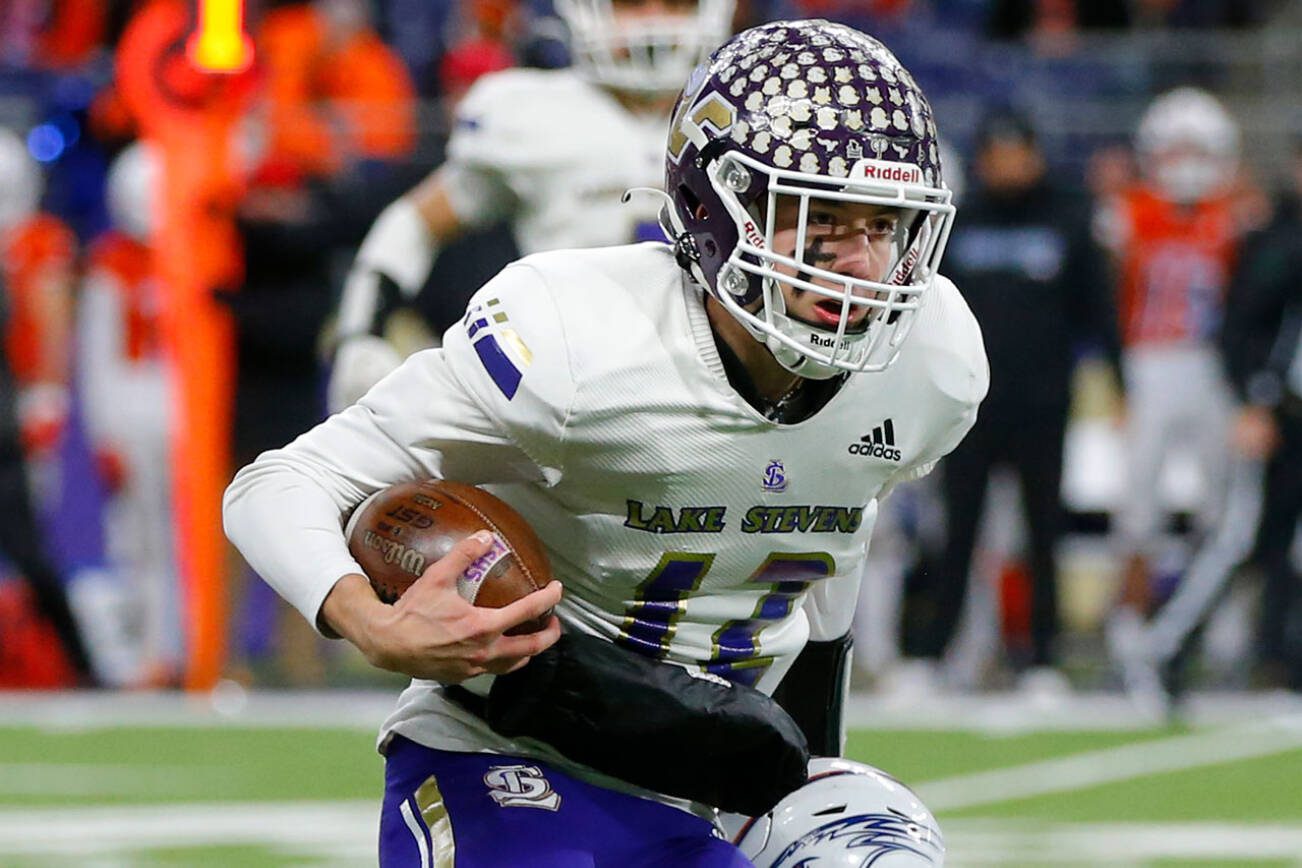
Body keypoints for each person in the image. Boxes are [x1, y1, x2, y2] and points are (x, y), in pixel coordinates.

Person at [225, 19, 986, 865]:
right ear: (714, 207)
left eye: (884, 227)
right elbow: (281, 481)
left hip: (712, 767)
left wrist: (797, 762)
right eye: (821, 221)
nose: (859, 265)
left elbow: (834, 534)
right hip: (518, 749)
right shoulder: (575, 338)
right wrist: (367, 619)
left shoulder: (933, 359)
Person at [325, 0, 738, 412]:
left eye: (675, 3)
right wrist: (360, 333)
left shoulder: (748, 112)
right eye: (630, 3)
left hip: (722, 384)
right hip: (564, 392)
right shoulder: (526, 113)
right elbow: (415, 223)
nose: (653, 21)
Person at [897, 107, 1116, 693]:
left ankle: (1043, 659)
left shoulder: (1068, 218)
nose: (1008, 164)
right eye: (997, 154)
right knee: (955, 532)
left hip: (1042, 405)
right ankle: (929, 654)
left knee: (1043, 533)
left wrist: (1116, 384)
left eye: (1017, 152)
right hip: (968, 408)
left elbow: (1097, 311)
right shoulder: (962, 224)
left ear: (1035, 154)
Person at [1098, 87, 1245, 679]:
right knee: (1138, 511)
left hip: (1213, 367)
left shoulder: (1235, 217)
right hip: (1148, 362)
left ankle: (1216, 631)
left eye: (1197, 149)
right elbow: (1108, 296)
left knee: (1220, 507)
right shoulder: (1127, 212)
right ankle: (1126, 631)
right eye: (1176, 149)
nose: (1186, 162)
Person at [0, 128, 97, 686]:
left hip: (19, 404)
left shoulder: (39, 239)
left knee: (28, 538)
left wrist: (47, 397)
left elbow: (53, 320)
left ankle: (69, 659)